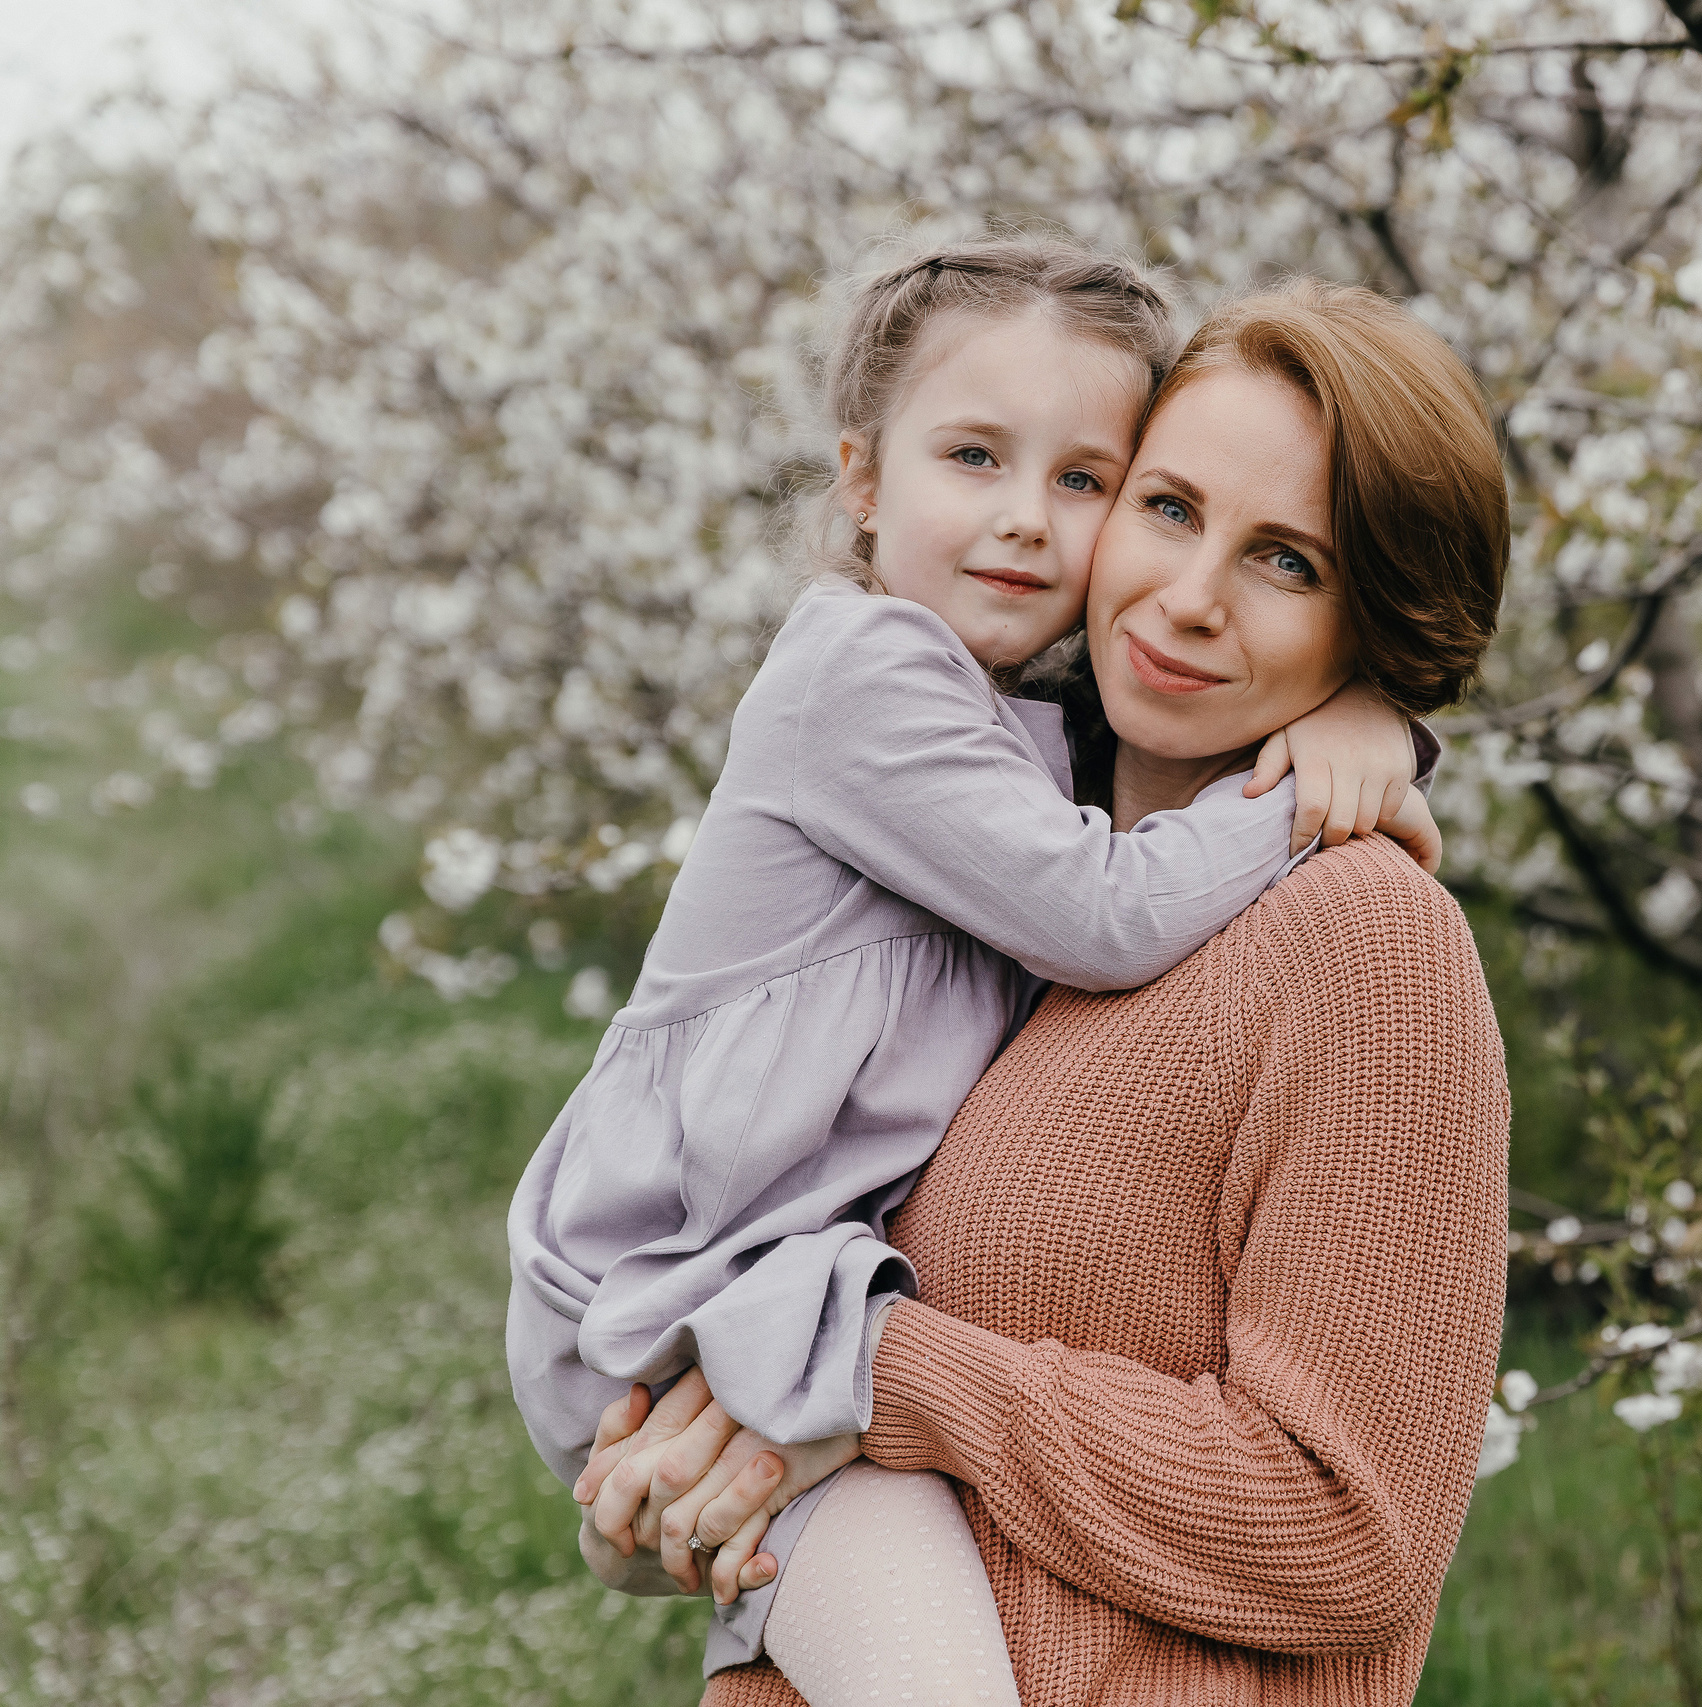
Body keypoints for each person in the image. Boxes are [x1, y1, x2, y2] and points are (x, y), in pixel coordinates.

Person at [505, 240, 1440, 1686]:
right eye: (974, 459)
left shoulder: (1322, 922)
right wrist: (1315, 776)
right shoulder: (871, 678)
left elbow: (1340, 1535)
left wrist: (1366, 729)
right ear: (863, 481)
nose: (1027, 524)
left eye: (1082, 481)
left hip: (783, 1316)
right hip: (698, 1283)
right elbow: (1109, 907)